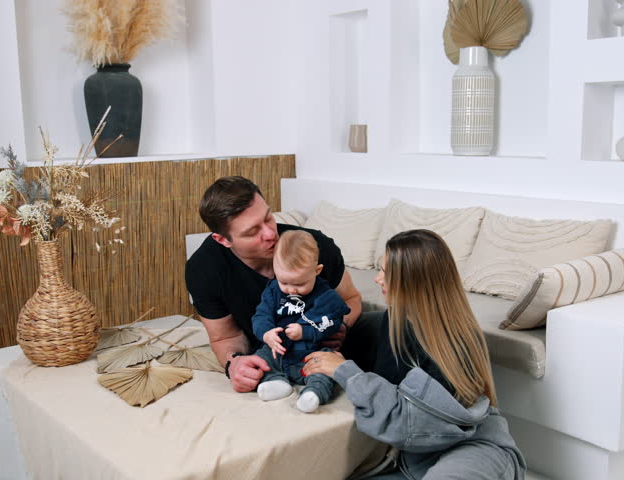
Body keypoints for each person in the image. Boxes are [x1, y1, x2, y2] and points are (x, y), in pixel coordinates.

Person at [303, 230, 527, 479]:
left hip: (473, 447)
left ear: (410, 281)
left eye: (385, 272)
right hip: (418, 458)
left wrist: (345, 371)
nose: (378, 279)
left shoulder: (454, 342)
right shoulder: (393, 322)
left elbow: (413, 424)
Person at [185, 176, 380, 393]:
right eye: (252, 232)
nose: (270, 234)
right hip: (270, 354)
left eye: (268, 218)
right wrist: (235, 363)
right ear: (223, 240)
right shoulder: (204, 270)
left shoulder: (314, 247)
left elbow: (350, 299)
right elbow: (225, 336)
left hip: (319, 349)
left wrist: (342, 325)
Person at [251, 230, 350, 413]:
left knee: (326, 364)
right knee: (260, 358)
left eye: (299, 284)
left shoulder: (325, 294)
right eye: (285, 282)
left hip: (310, 353)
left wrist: (305, 330)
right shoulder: (273, 291)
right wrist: (266, 334)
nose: (291, 290)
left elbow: (332, 321)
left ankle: (313, 393)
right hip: (279, 352)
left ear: (316, 271)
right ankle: (276, 382)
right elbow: (260, 315)